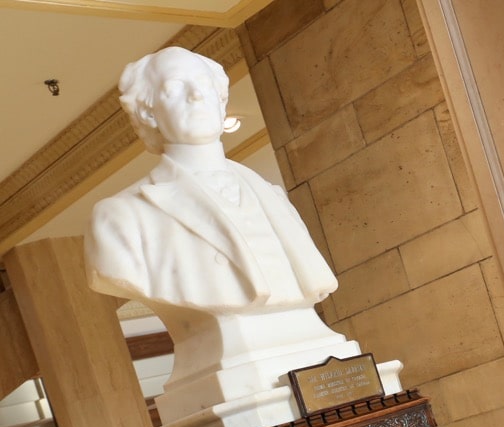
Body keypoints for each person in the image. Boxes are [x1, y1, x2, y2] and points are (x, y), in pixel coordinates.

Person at [85, 46, 336, 311]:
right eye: (175, 88)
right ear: (149, 113)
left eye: (204, 85)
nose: (196, 95)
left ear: (220, 101)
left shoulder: (273, 197)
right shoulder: (120, 216)